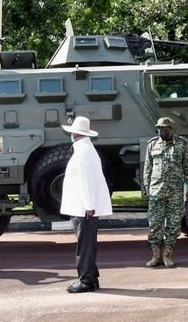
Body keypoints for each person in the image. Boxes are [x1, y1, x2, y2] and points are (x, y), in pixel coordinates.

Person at [60, 116, 112, 293]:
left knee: (84, 246)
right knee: (87, 245)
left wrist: (89, 206)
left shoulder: (83, 153)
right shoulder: (85, 150)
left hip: (83, 208)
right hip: (83, 206)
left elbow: (85, 182)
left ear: (75, 133)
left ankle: (86, 281)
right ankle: (92, 278)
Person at [143, 117, 188, 268]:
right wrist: (147, 189)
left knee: (173, 224)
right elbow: (147, 168)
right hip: (156, 191)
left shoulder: (182, 144)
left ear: (171, 129)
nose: (161, 131)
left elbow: (187, 167)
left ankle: (167, 255)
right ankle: (156, 255)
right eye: (159, 128)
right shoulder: (152, 144)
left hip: (175, 192)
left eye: (164, 129)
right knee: (154, 224)